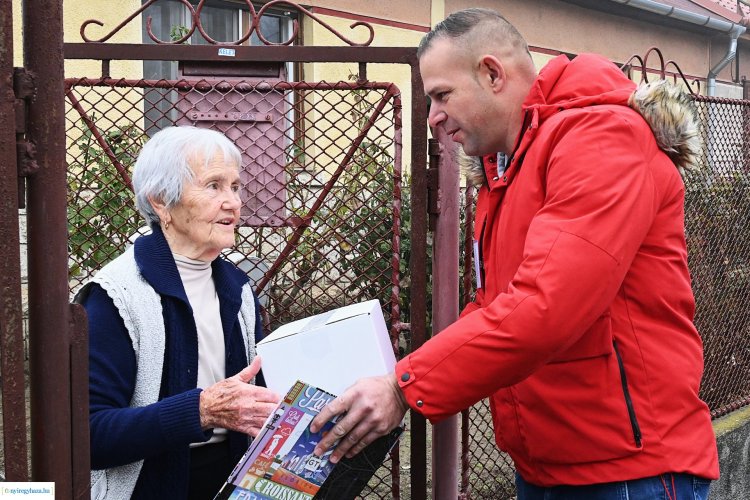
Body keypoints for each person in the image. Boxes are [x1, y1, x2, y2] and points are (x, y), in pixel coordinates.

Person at [311, 8, 718, 499]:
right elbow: (493, 305)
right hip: (552, 463)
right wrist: (405, 374)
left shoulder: (598, 139)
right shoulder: (506, 169)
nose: (434, 116)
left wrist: (403, 387)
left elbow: (545, 307)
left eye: (442, 95)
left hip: (629, 472)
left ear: (492, 73)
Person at [80, 126, 281, 499]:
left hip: (234, 480)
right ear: (160, 201)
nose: (233, 203)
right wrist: (201, 410)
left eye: (235, 187)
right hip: (151, 485)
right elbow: (89, 434)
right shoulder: (116, 296)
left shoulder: (237, 287)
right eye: (213, 186)